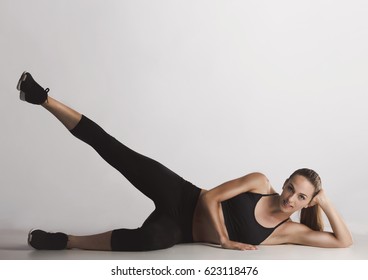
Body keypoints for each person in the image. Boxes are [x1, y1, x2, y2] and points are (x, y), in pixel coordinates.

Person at [16, 71, 353, 251]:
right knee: (116, 151)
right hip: (183, 195)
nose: (290, 197)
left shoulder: (287, 232)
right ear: (284, 183)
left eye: (301, 197)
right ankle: (42, 97)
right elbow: (209, 197)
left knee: (147, 241)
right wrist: (224, 240)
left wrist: (324, 200)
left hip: (182, 232)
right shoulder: (259, 182)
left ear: (307, 202)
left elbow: (343, 242)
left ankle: (65, 241)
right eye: (291, 187)